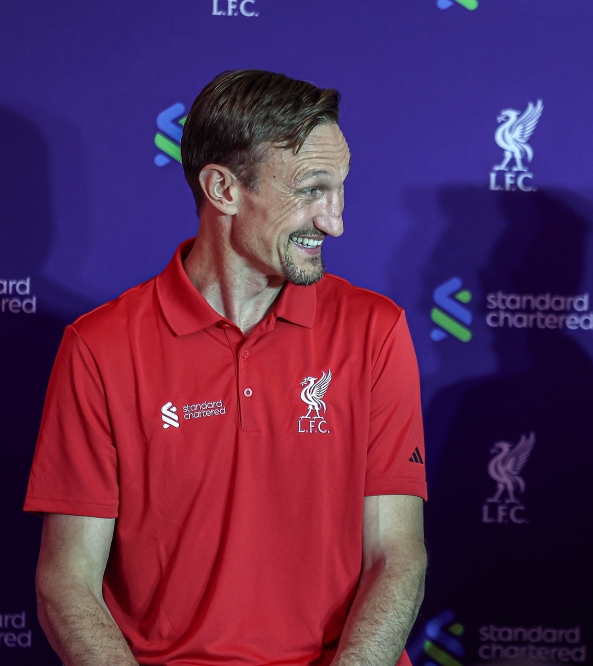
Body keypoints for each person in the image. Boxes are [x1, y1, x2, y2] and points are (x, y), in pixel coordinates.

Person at [25, 70, 428, 666]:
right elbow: (68, 583)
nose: (334, 220)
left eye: (341, 189)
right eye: (312, 190)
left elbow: (397, 556)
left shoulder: (376, 329)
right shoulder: (100, 346)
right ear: (222, 189)